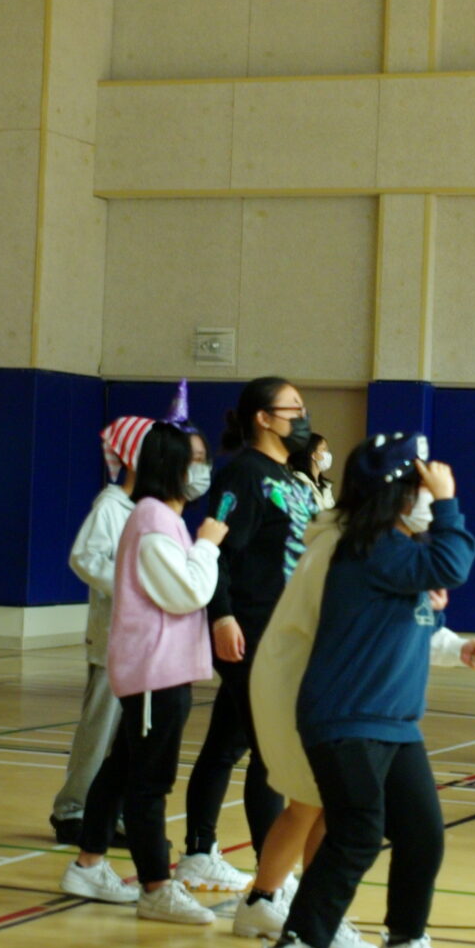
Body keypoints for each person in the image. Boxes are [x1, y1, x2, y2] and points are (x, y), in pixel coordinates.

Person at [252, 435, 475, 948]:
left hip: (391, 721)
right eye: (421, 488)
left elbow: (420, 608)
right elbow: (453, 561)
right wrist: (448, 502)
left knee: (422, 833)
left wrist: (455, 646)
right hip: (346, 719)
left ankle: (403, 943)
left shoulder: (392, 550)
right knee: (357, 831)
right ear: (397, 494)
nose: (428, 498)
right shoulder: (368, 547)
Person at [62, 423, 231, 926]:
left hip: (162, 669)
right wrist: (210, 545)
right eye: (192, 460)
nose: (201, 470)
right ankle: (156, 886)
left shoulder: (159, 518)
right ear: (169, 467)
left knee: (121, 769)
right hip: (156, 672)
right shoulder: (154, 520)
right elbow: (189, 592)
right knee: (148, 782)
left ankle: (88, 863)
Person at [176, 377, 317, 894]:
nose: (303, 417)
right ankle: (271, 877)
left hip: (285, 631)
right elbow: (218, 544)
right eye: (293, 408)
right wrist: (221, 615)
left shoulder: (292, 477)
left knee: (226, 741)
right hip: (252, 631)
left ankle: (197, 851)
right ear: (263, 417)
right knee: (274, 754)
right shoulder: (242, 474)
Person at [47, 405, 161, 845]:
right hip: (113, 639)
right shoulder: (110, 507)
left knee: (128, 739)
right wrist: (134, 585)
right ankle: (72, 810)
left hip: (142, 642)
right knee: (100, 729)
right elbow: (86, 558)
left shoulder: (141, 508)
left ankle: (108, 809)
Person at [305, 434, 339, 512]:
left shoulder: (326, 485)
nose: (328, 454)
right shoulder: (301, 482)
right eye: (324, 449)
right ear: (313, 454)